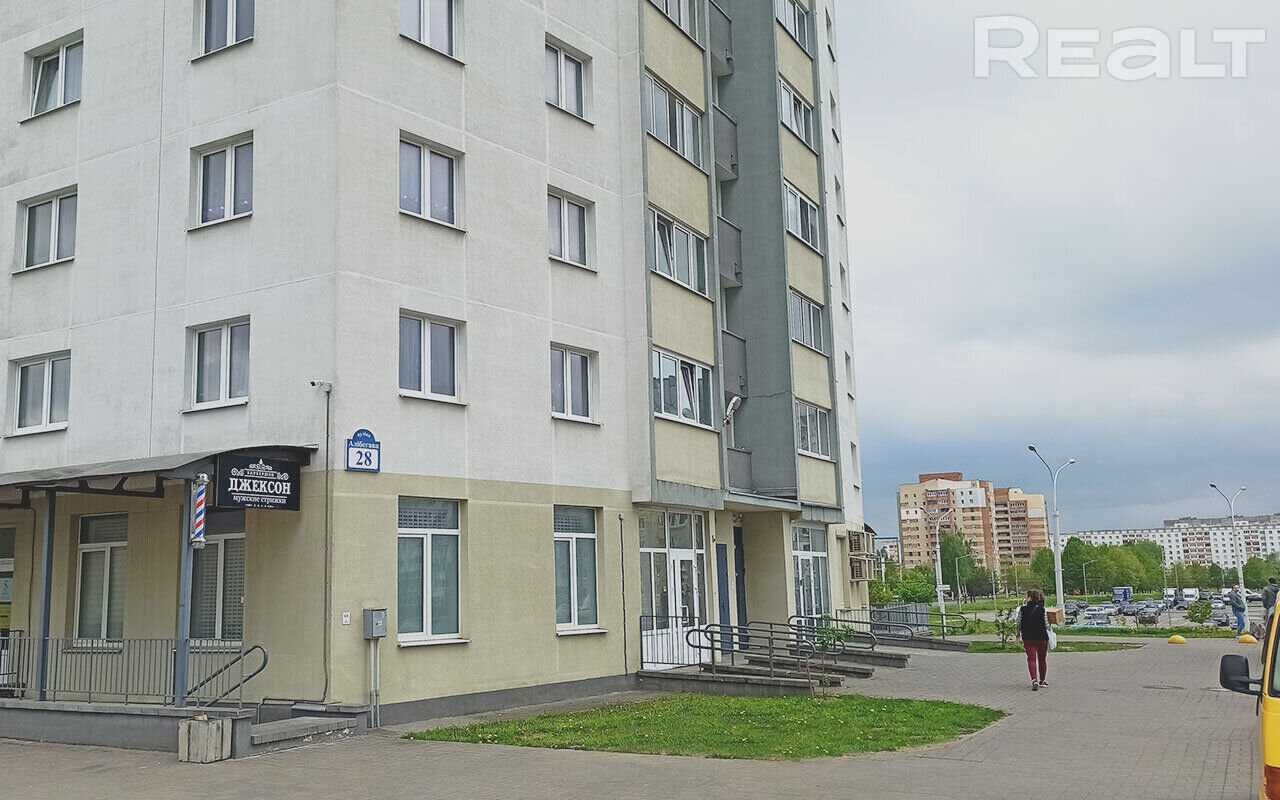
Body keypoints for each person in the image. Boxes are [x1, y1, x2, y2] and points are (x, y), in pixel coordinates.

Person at [1016, 588, 1051, 690]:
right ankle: (1042, 681)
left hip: (1028, 638)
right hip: (1042, 638)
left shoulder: (1022, 609)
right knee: (1042, 659)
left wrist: (1018, 633)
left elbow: (1019, 623)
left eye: (1027, 597)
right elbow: (1047, 625)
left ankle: (1034, 680)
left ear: (1030, 598)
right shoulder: (1042, 610)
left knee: (1031, 659)